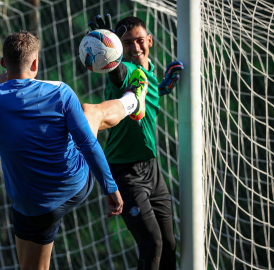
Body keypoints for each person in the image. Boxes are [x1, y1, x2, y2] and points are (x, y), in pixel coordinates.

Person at [0, 30, 148, 270]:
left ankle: (133, 101)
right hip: (70, 185)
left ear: (4, 62)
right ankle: (133, 100)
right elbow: (87, 144)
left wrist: (4, 87)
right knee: (92, 113)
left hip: (28, 200)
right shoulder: (60, 92)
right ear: (35, 63)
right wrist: (110, 188)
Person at [88, 15, 184, 270]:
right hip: (125, 172)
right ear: (120, 48)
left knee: (169, 245)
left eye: (139, 41)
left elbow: (149, 86)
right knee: (151, 244)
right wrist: (108, 49)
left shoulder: (149, 72)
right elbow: (121, 76)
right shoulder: (128, 69)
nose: (135, 47)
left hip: (152, 170)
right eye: (127, 43)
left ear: (150, 41)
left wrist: (163, 87)